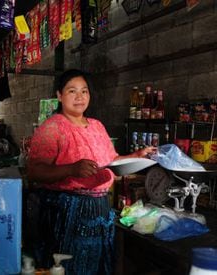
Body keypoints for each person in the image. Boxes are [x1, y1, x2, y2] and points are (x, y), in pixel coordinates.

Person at [27, 69, 155, 275]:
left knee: (99, 265)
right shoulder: (52, 128)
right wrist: (71, 169)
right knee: (71, 265)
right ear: (59, 95)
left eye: (84, 91)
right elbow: (34, 171)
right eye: (72, 91)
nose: (80, 97)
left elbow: (112, 161)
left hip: (100, 208)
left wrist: (137, 155)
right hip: (68, 211)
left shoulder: (97, 126)